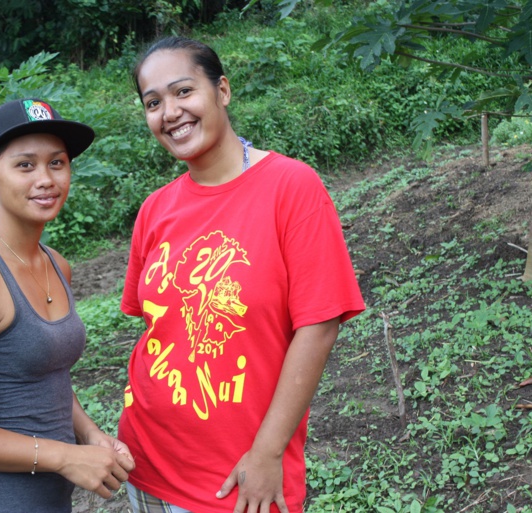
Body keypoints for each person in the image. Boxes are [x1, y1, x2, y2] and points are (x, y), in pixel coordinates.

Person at [118, 37, 366, 513]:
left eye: (183, 91)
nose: (170, 112)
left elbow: (319, 325)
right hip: (145, 463)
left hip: (239, 478)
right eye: (153, 103)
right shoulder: (155, 210)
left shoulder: (291, 187)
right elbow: (156, 328)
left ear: (223, 91)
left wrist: (268, 452)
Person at [0, 98, 135, 513]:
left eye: (57, 163)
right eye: (25, 165)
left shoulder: (56, 264)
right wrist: (65, 456)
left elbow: (48, 379)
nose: (46, 179)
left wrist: (89, 435)